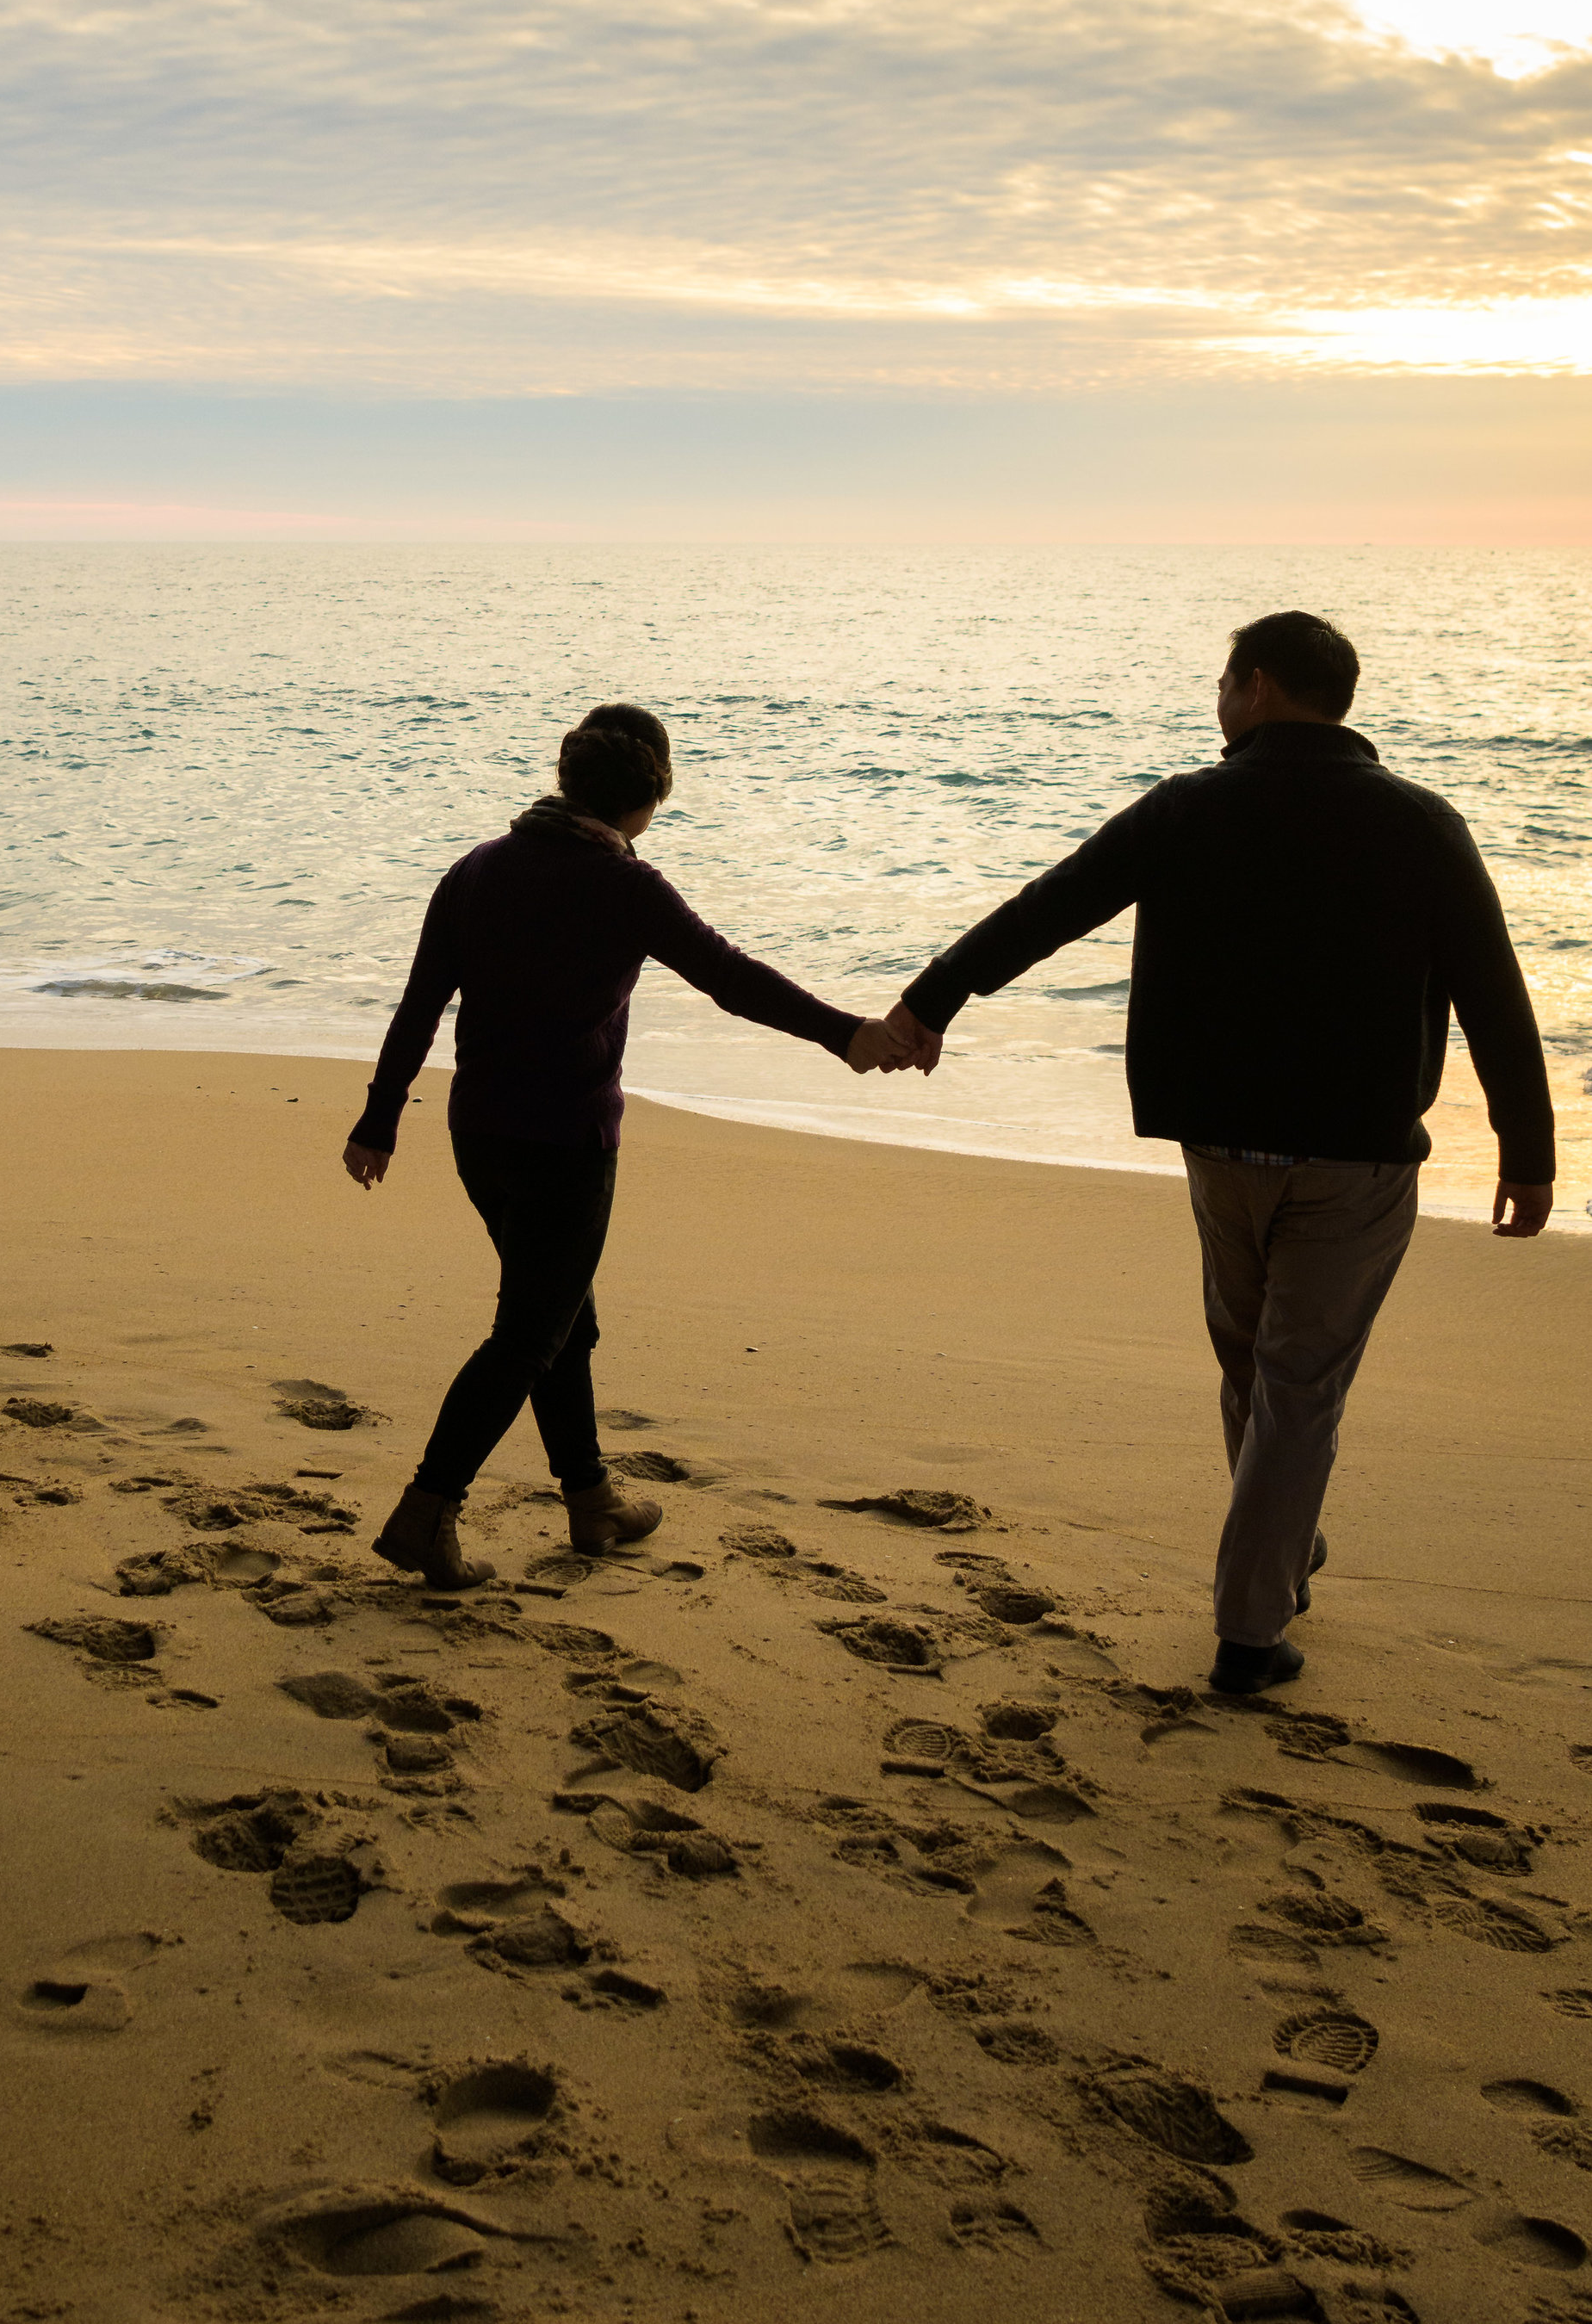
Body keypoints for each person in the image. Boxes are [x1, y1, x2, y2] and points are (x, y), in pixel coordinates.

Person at [862, 610, 1554, 1696]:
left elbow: (1052, 906)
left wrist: (927, 1000)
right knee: (1296, 1381)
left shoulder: (1191, 807)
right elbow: (1492, 993)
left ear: (1260, 685)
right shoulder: (1421, 822)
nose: (1217, 700)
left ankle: (1280, 1541)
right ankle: (1248, 1631)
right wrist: (1526, 1150)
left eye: (1224, 681)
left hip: (1219, 1144)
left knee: (1254, 1365)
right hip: (1355, 1159)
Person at [344, 702, 901, 1589]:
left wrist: (379, 1119)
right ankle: (425, 1511)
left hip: (479, 1135)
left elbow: (418, 1004)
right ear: (650, 794)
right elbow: (730, 978)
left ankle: (591, 1501)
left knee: (563, 1318)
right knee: (529, 1333)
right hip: (564, 1143)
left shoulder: (476, 870)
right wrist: (844, 1034)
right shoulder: (623, 886)